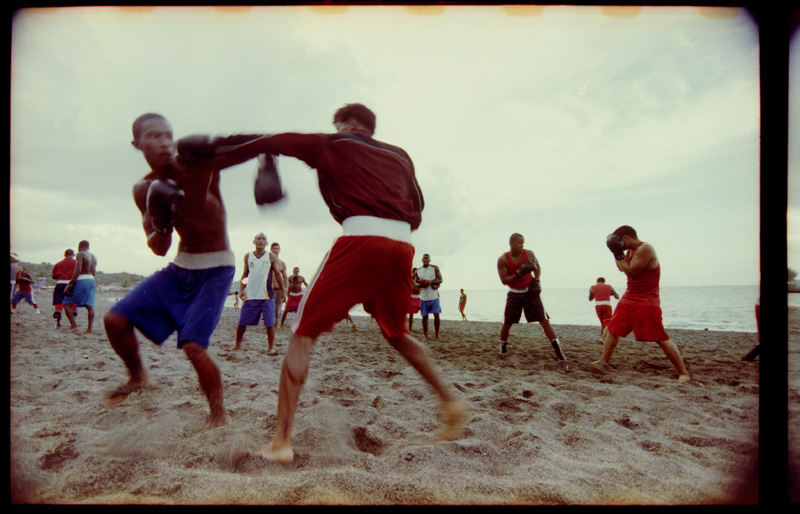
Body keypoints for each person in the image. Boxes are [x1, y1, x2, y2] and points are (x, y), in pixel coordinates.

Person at [205, 103, 468, 462]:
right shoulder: (401, 156)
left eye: (338, 123)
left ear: (351, 123)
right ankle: (451, 402)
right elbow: (418, 210)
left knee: (302, 330)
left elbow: (272, 140)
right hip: (402, 246)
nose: (335, 127)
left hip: (361, 239)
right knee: (397, 334)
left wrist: (213, 154)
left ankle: (281, 442)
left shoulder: (332, 144)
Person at [102, 113, 262, 430]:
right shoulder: (144, 189)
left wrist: (269, 157)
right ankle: (138, 377)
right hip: (180, 267)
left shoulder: (196, 165)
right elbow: (158, 247)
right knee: (115, 320)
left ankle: (219, 415)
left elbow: (245, 147)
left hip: (217, 267)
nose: (164, 142)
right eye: (154, 137)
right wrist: (162, 220)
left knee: (193, 346)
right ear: (137, 144)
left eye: (168, 135)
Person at [594, 225, 690, 382]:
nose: (621, 248)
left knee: (660, 337)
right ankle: (604, 360)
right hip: (628, 297)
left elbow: (630, 271)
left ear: (625, 238)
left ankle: (683, 372)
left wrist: (618, 254)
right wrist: (616, 253)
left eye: (620, 244)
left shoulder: (645, 249)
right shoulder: (630, 251)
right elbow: (621, 268)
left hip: (646, 300)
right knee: (613, 330)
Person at [497, 233, 567, 361]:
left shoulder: (529, 254)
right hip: (514, 294)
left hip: (530, 293)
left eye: (523, 243)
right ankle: (503, 345)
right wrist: (519, 273)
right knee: (507, 323)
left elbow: (537, 268)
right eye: (519, 243)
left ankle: (558, 350)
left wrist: (537, 280)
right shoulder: (503, 259)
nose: (522, 245)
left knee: (544, 321)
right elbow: (504, 280)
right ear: (511, 243)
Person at [232, 233, 286, 353]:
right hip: (250, 295)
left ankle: (271, 348)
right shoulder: (248, 256)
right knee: (242, 322)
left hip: (267, 295)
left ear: (266, 243)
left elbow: (278, 274)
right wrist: (242, 288)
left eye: (263, 239)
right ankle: (237, 344)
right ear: (254, 242)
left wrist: (283, 291)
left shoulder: (271, 256)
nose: (261, 241)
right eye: (258, 239)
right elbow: (245, 274)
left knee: (269, 323)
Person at [62, 240, 97, 333]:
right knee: (90, 306)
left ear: (81, 246)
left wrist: (72, 282)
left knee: (66, 302)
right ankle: (89, 329)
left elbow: (78, 269)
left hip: (82, 278)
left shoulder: (80, 254)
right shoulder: (94, 256)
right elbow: (94, 271)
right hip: (92, 280)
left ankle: (73, 325)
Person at [414, 254, 443, 340]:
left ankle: (436, 335)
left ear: (429, 260)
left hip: (434, 296)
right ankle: (425, 336)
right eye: (424, 258)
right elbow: (415, 283)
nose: (425, 259)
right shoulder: (418, 271)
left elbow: (441, 280)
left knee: (436, 316)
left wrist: (430, 282)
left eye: (427, 258)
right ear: (422, 260)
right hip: (423, 297)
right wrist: (421, 284)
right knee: (424, 317)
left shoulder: (434, 268)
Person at [51, 249, 77, 328]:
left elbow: (54, 276)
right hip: (71, 284)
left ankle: (57, 322)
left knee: (59, 302)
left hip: (60, 283)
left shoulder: (58, 264)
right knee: (72, 302)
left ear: (64, 255)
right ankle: (73, 322)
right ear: (73, 254)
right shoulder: (76, 263)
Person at [589, 277, 619, 343]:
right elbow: (617, 297)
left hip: (597, 306)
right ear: (604, 282)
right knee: (608, 323)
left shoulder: (592, 287)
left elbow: (590, 299)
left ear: (597, 282)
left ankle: (602, 338)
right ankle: (602, 338)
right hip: (606, 305)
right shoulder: (609, 287)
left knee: (603, 324)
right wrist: (612, 294)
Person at [270, 242, 288, 325]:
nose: (275, 250)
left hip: (278, 290)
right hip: (268, 289)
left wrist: (285, 289)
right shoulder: (266, 262)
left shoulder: (282, 263)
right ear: (271, 249)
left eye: (277, 249)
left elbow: (285, 277)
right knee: (268, 311)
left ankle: (274, 329)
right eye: (274, 248)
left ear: (279, 250)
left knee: (277, 311)